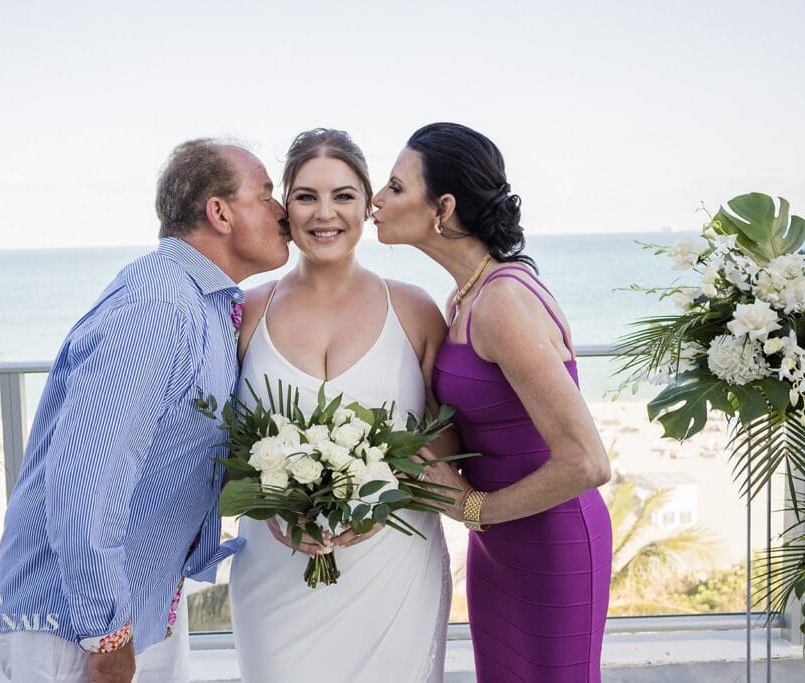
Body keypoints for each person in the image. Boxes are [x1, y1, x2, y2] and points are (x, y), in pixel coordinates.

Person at [0, 139, 289, 683]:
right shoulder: (158, 305)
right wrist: (107, 634)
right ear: (218, 212)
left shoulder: (206, 303)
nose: (282, 210)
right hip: (73, 623)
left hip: (142, 603)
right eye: (266, 194)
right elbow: (85, 478)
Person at [372, 122, 613, 682]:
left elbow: (588, 461)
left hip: (553, 543)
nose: (376, 201)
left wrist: (473, 510)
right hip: (498, 545)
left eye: (395, 187)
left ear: (444, 208)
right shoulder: (464, 296)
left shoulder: (502, 301)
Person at [228, 128, 452, 683]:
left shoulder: (416, 310)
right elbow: (217, 447)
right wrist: (275, 514)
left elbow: (444, 451)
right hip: (275, 577)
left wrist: (380, 503)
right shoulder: (244, 313)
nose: (324, 213)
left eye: (343, 195)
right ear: (286, 207)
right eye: (306, 196)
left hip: (393, 572)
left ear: (367, 203)